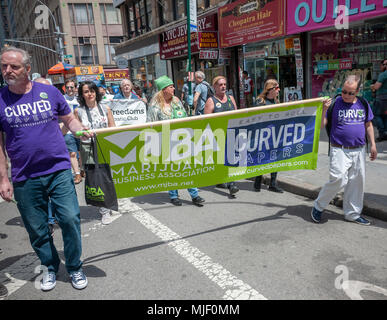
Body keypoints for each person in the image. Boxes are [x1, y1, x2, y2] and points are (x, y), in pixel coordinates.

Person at [0, 46, 90, 291]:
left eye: (14, 66)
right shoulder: (0, 99)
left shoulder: (49, 92)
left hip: (58, 169)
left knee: (70, 219)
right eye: (4, 66)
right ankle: (49, 266)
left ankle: (74, 266)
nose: (7, 70)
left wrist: (79, 131)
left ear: (27, 69)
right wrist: (3, 179)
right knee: (38, 229)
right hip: (24, 176)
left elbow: (69, 118)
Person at [311, 75, 377, 226]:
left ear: (358, 91)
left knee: (356, 182)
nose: (346, 95)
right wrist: (324, 110)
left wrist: (372, 144)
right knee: (339, 179)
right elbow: (322, 125)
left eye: (350, 93)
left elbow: (368, 124)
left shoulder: (363, 103)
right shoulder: (334, 103)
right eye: (344, 91)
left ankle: (352, 214)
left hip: (359, 149)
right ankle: (318, 206)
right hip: (339, 149)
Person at [147, 75, 205, 206]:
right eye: (171, 87)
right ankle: (174, 195)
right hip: (166, 142)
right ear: (164, 90)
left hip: (182, 140)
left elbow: (184, 116)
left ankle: (194, 195)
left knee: (187, 168)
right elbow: (149, 126)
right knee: (172, 170)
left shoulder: (177, 101)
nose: (174, 89)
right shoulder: (155, 107)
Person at [74, 81, 116, 225]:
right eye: (86, 91)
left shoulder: (105, 108)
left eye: (92, 90)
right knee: (96, 179)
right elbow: (75, 133)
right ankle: (104, 211)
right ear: (82, 95)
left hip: (104, 145)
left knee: (108, 176)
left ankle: (110, 202)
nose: (90, 94)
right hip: (88, 148)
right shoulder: (78, 111)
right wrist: (82, 133)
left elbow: (112, 127)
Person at [204, 76, 240, 197]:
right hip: (218, 135)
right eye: (220, 85)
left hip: (231, 132)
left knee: (229, 158)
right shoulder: (211, 101)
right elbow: (206, 121)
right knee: (224, 159)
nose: (223, 86)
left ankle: (220, 180)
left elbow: (237, 114)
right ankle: (232, 184)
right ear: (214, 87)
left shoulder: (230, 98)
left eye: (224, 84)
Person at [253, 79, 284, 193]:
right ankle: (257, 180)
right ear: (270, 89)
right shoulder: (260, 101)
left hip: (275, 135)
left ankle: (273, 183)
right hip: (263, 135)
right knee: (262, 158)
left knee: (274, 158)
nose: (279, 90)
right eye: (277, 88)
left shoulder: (276, 101)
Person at [63, 79, 83, 184]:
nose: (70, 89)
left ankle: (82, 169)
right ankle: (77, 174)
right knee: (72, 153)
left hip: (79, 129)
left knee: (81, 151)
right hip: (68, 130)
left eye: (72, 87)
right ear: (65, 88)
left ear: (75, 88)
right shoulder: (62, 99)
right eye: (68, 87)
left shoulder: (79, 100)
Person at [371, 59, 387, 140]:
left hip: (382, 99)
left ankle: (382, 133)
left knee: (376, 115)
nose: (382, 66)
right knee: (385, 116)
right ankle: (385, 132)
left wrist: (372, 86)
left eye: (383, 65)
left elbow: (377, 87)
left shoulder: (383, 75)